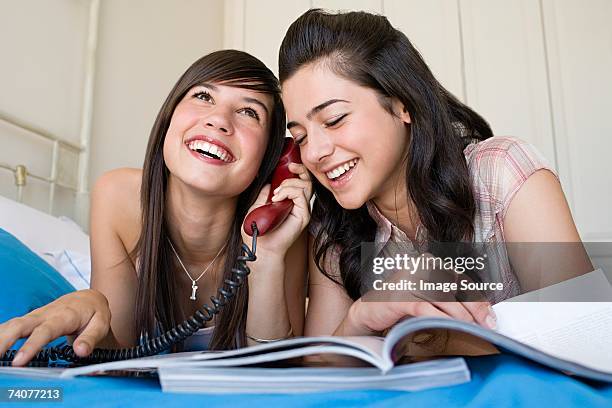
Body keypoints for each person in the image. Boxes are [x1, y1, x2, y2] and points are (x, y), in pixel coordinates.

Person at [278, 9, 592, 342]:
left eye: (334, 119)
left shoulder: (503, 172)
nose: (313, 153)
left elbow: (585, 339)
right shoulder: (334, 226)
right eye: (300, 137)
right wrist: (361, 316)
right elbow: (322, 371)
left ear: (402, 105)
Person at [1, 50, 312, 366]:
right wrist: (89, 314)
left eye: (248, 112)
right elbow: (117, 358)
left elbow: (278, 372)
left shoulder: (281, 228)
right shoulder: (119, 198)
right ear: (168, 119)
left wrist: (267, 261)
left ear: (272, 158)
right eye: (203, 95)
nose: (218, 119)